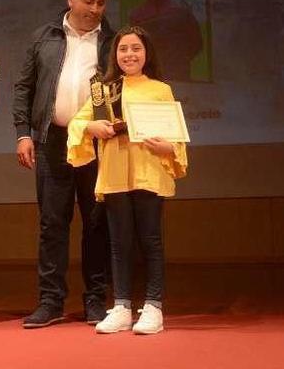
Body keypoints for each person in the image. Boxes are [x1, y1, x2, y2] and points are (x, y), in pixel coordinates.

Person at [67, 25, 187, 335]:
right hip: (116, 172)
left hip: (149, 172)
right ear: (114, 54)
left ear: (147, 53)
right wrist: (93, 128)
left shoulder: (160, 89)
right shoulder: (104, 90)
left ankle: (153, 306)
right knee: (119, 244)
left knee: (150, 240)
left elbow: (176, 138)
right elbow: (79, 123)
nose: (129, 54)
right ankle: (121, 306)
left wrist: (168, 147)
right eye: (123, 49)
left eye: (136, 48)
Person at [13, 0, 114, 328]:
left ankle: (96, 301)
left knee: (97, 223)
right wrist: (23, 134)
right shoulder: (44, 36)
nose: (95, 10)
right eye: (88, 2)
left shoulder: (112, 40)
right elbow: (24, 87)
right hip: (53, 141)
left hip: (98, 143)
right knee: (52, 224)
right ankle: (51, 301)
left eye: (101, 3)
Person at [128, 0, 202, 81]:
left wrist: (180, 59)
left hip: (177, 73)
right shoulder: (137, 15)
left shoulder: (181, 12)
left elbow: (196, 42)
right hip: (147, 73)